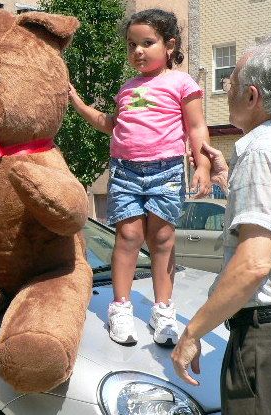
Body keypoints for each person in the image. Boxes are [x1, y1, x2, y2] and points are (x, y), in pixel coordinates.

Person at [69, 8, 211, 346]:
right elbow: (110, 124)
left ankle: (163, 311)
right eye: (132, 45)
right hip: (125, 170)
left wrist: (203, 164)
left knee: (162, 240)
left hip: (166, 169)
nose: (138, 51)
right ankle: (121, 307)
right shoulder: (127, 89)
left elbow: (196, 126)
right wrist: (76, 102)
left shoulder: (180, 82)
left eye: (148, 43)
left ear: (170, 45)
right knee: (128, 237)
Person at [171, 41, 271, 415]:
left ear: (252, 96)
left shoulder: (261, 149)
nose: (226, 87)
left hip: (266, 339)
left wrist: (192, 331)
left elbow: (254, 265)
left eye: (230, 79)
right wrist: (231, 179)